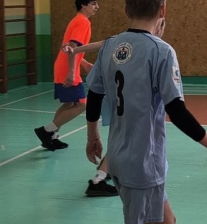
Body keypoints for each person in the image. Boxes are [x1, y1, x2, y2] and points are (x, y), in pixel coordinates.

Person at [84, 0, 207, 224]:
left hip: (119, 156)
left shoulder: (109, 45)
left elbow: (95, 95)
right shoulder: (161, 51)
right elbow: (176, 109)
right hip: (143, 163)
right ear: (163, 10)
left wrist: (92, 137)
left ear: (126, 9)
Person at [61, 19, 167, 198]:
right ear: (159, 25)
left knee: (121, 139)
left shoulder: (122, 43)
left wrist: (76, 50)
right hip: (126, 104)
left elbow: (100, 44)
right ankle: (99, 179)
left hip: (118, 101)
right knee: (126, 140)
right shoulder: (152, 48)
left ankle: (105, 172)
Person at [34, 0, 98, 151]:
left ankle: (52, 137)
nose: (97, 7)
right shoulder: (82, 22)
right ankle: (46, 131)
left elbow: (71, 48)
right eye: (93, 4)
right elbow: (72, 47)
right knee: (82, 105)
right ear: (84, 5)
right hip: (67, 69)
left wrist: (84, 64)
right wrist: (71, 71)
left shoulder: (77, 20)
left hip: (63, 66)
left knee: (69, 103)